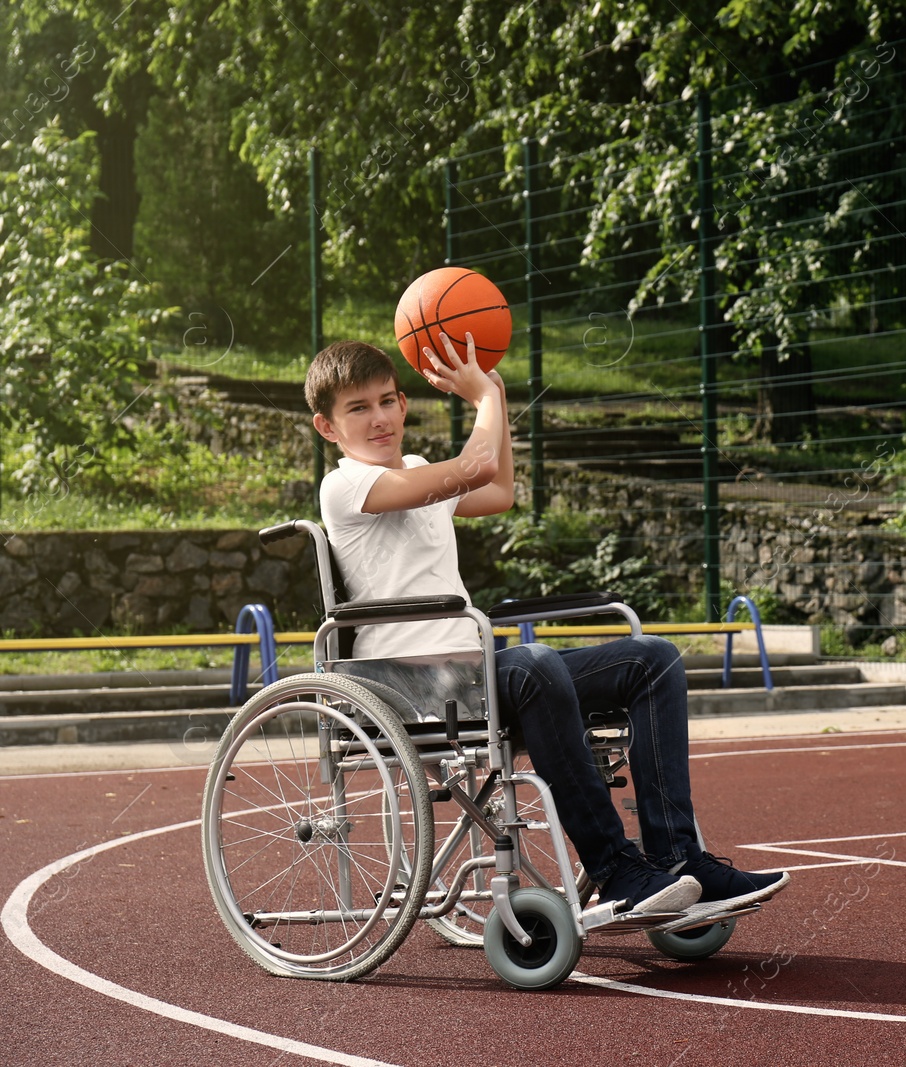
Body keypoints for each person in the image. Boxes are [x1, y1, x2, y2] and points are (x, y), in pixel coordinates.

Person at [305, 334, 788, 919]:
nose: (379, 418)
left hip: (472, 673)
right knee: (534, 664)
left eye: (387, 400)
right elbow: (476, 465)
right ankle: (616, 868)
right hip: (406, 684)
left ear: (404, 404)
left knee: (653, 659)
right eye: (358, 408)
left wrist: (496, 394)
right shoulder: (346, 486)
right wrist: (482, 398)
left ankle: (679, 859)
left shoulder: (417, 470)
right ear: (327, 428)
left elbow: (498, 488)